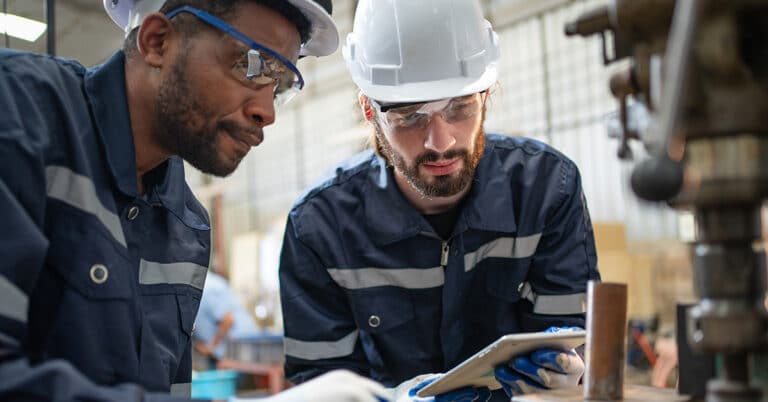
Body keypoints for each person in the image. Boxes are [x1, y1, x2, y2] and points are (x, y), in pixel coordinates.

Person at [0, 0, 389, 401]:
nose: (266, 111)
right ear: (157, 41)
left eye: (281, 85)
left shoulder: (186, 226)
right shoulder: (20, 116)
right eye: (251, 64)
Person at [278, 0, 600, 401]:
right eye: (409, 116)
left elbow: (577, 341)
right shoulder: (320, 228)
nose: (441, 142)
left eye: (460, 108)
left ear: (486, 95)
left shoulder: (548, 190)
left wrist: (572, 369)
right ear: (370, 111)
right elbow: (320, 386)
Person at [193, 271, 260, 366]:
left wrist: (211, 347)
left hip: (237, 348)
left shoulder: (208, 288)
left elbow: (227, 320)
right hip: (224, 350)